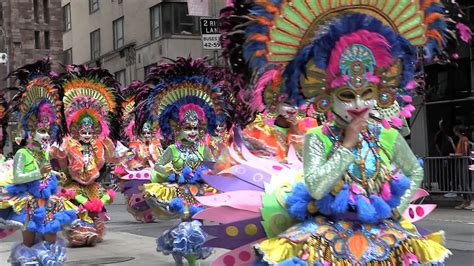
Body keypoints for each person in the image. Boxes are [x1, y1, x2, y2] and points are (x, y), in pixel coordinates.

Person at [191, 0, 471, 264]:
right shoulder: (318, 137)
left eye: (368, 93)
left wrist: (398, 207)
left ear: (380, 94)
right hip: (327, 233)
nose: (359, 104)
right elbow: (316, 187)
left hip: (384, 232)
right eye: (348, 95)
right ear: (327, 97)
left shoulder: (388, 136)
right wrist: (347, 145)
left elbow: (414, 171)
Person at [138, 57, 232, 266]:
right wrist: (169, 169)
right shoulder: (172, 149)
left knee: (196, 227)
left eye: (195, 128)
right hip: (179, 194)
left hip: (199, 193)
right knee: (187, 226)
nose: (191, 132)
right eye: (187, 128)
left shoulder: (203, 148)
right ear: (178, 128)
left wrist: (218, 173)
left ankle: (185, 253)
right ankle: (186, 258)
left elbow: (212, 168)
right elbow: (157, 172)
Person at [0, 59, 76, 265]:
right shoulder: (22, 154)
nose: (45, 136)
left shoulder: (44, 154)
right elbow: (18, 177)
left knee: (51, 238)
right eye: (41, 131)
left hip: (48, 202)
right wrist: (40, 172)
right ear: (31, 131)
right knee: (30, 241)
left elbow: (44, 174)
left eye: (47, 131)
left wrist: (54, 174)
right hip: (29, 204)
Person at [50, 64, 125, 247]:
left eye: (90, 129)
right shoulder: (68, 143)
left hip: (92, 185)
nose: (86, 133)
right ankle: (79, 233)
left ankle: (90, 231)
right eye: (82, 130)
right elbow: (56, 158)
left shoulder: (101, 144)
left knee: (96, 207)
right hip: (73, 185)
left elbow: (110, 160)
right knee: (77, 209)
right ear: (75, 129)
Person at [114, 80, 163, 223]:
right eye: (144, 133)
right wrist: (131, 164)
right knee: (139, 192)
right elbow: (130, 158)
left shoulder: (156, 144)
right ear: (140, 133)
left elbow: (160, 159)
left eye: (149, 132)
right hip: (140, 172)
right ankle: (144, 212)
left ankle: (152, 211)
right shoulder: (136, 144)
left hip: (153, 173)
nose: (147, 135)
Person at [453, 125, 473, 209]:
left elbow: (464, 153)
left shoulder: (464, 139)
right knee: (462, 182)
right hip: (460, 163)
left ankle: (471, 201)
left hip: (463, 163)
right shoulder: (461, 140)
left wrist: (454, 155)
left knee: (465, 183)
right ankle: (465, 201)